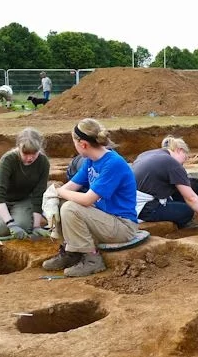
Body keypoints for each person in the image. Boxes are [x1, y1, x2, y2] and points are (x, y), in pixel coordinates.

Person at [42, 118, 139, 277]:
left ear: (83, 144)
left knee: (70, 207)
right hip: (105, 219)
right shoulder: (90, 161)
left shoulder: (113, 163)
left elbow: (87, 199)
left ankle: (92, 259)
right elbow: (70, 187)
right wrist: (56, 194)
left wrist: (57, 191)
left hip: (123, 226)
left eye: (74, 142)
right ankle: (72, 252)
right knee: (61, 202)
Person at [132, 136, 198, 228]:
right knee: (187, 211)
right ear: (179, 150)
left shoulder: (147, 154)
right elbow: (191, 198)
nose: (183, 164)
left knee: (180, 189)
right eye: (185, 157)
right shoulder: (172, 163)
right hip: (144, 209)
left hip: (130, 202)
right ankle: (182, 224)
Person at [0, 127, 51, 240]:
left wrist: (36, 226)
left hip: (22, 199)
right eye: (26, 153)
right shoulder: (8, 159)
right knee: (0, 229)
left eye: (34, 153)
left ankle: (20, 218)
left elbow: (39, 194)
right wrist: (11, 224)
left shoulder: (43, 162)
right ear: (18, 147)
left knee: (23, 227)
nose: (30, 158)